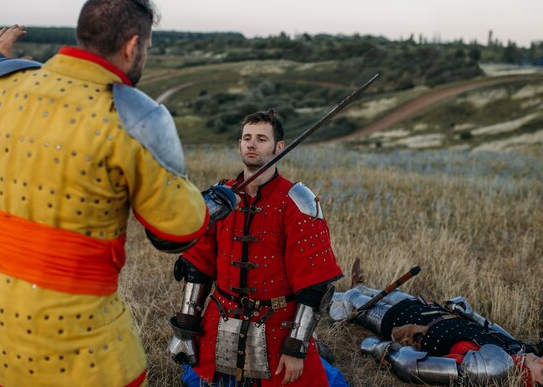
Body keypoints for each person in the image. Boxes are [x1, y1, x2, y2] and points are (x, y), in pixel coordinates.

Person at [0, 0, 238, 386]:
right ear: (134, 45)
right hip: (77, 341)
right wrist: (215, 204)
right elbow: (176, 229)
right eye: (148, 48)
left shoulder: (2, 84)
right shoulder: (136, 117)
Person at [167, 110, 348, 386]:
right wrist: (185, 330)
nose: (252, 144)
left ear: (278, 148)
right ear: (239, 145)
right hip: (220, 322)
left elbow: (315, 284)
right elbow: (197, 267)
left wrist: (296, 347)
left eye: (261, 139)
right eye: (247, 138)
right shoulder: (220, 198)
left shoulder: (297, 202)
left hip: (277, 328)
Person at [329, 259, 543, 386]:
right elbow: (494, 331)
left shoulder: (494, 367)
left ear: (530, 381)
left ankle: (325, 294)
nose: (542, 362)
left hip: (410, 326)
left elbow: (414, 366)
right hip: (429, 310)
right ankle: (360, 287)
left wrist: (380, 349)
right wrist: (471, 314)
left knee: (353, 301)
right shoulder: (521, 350)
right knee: (379, 293)